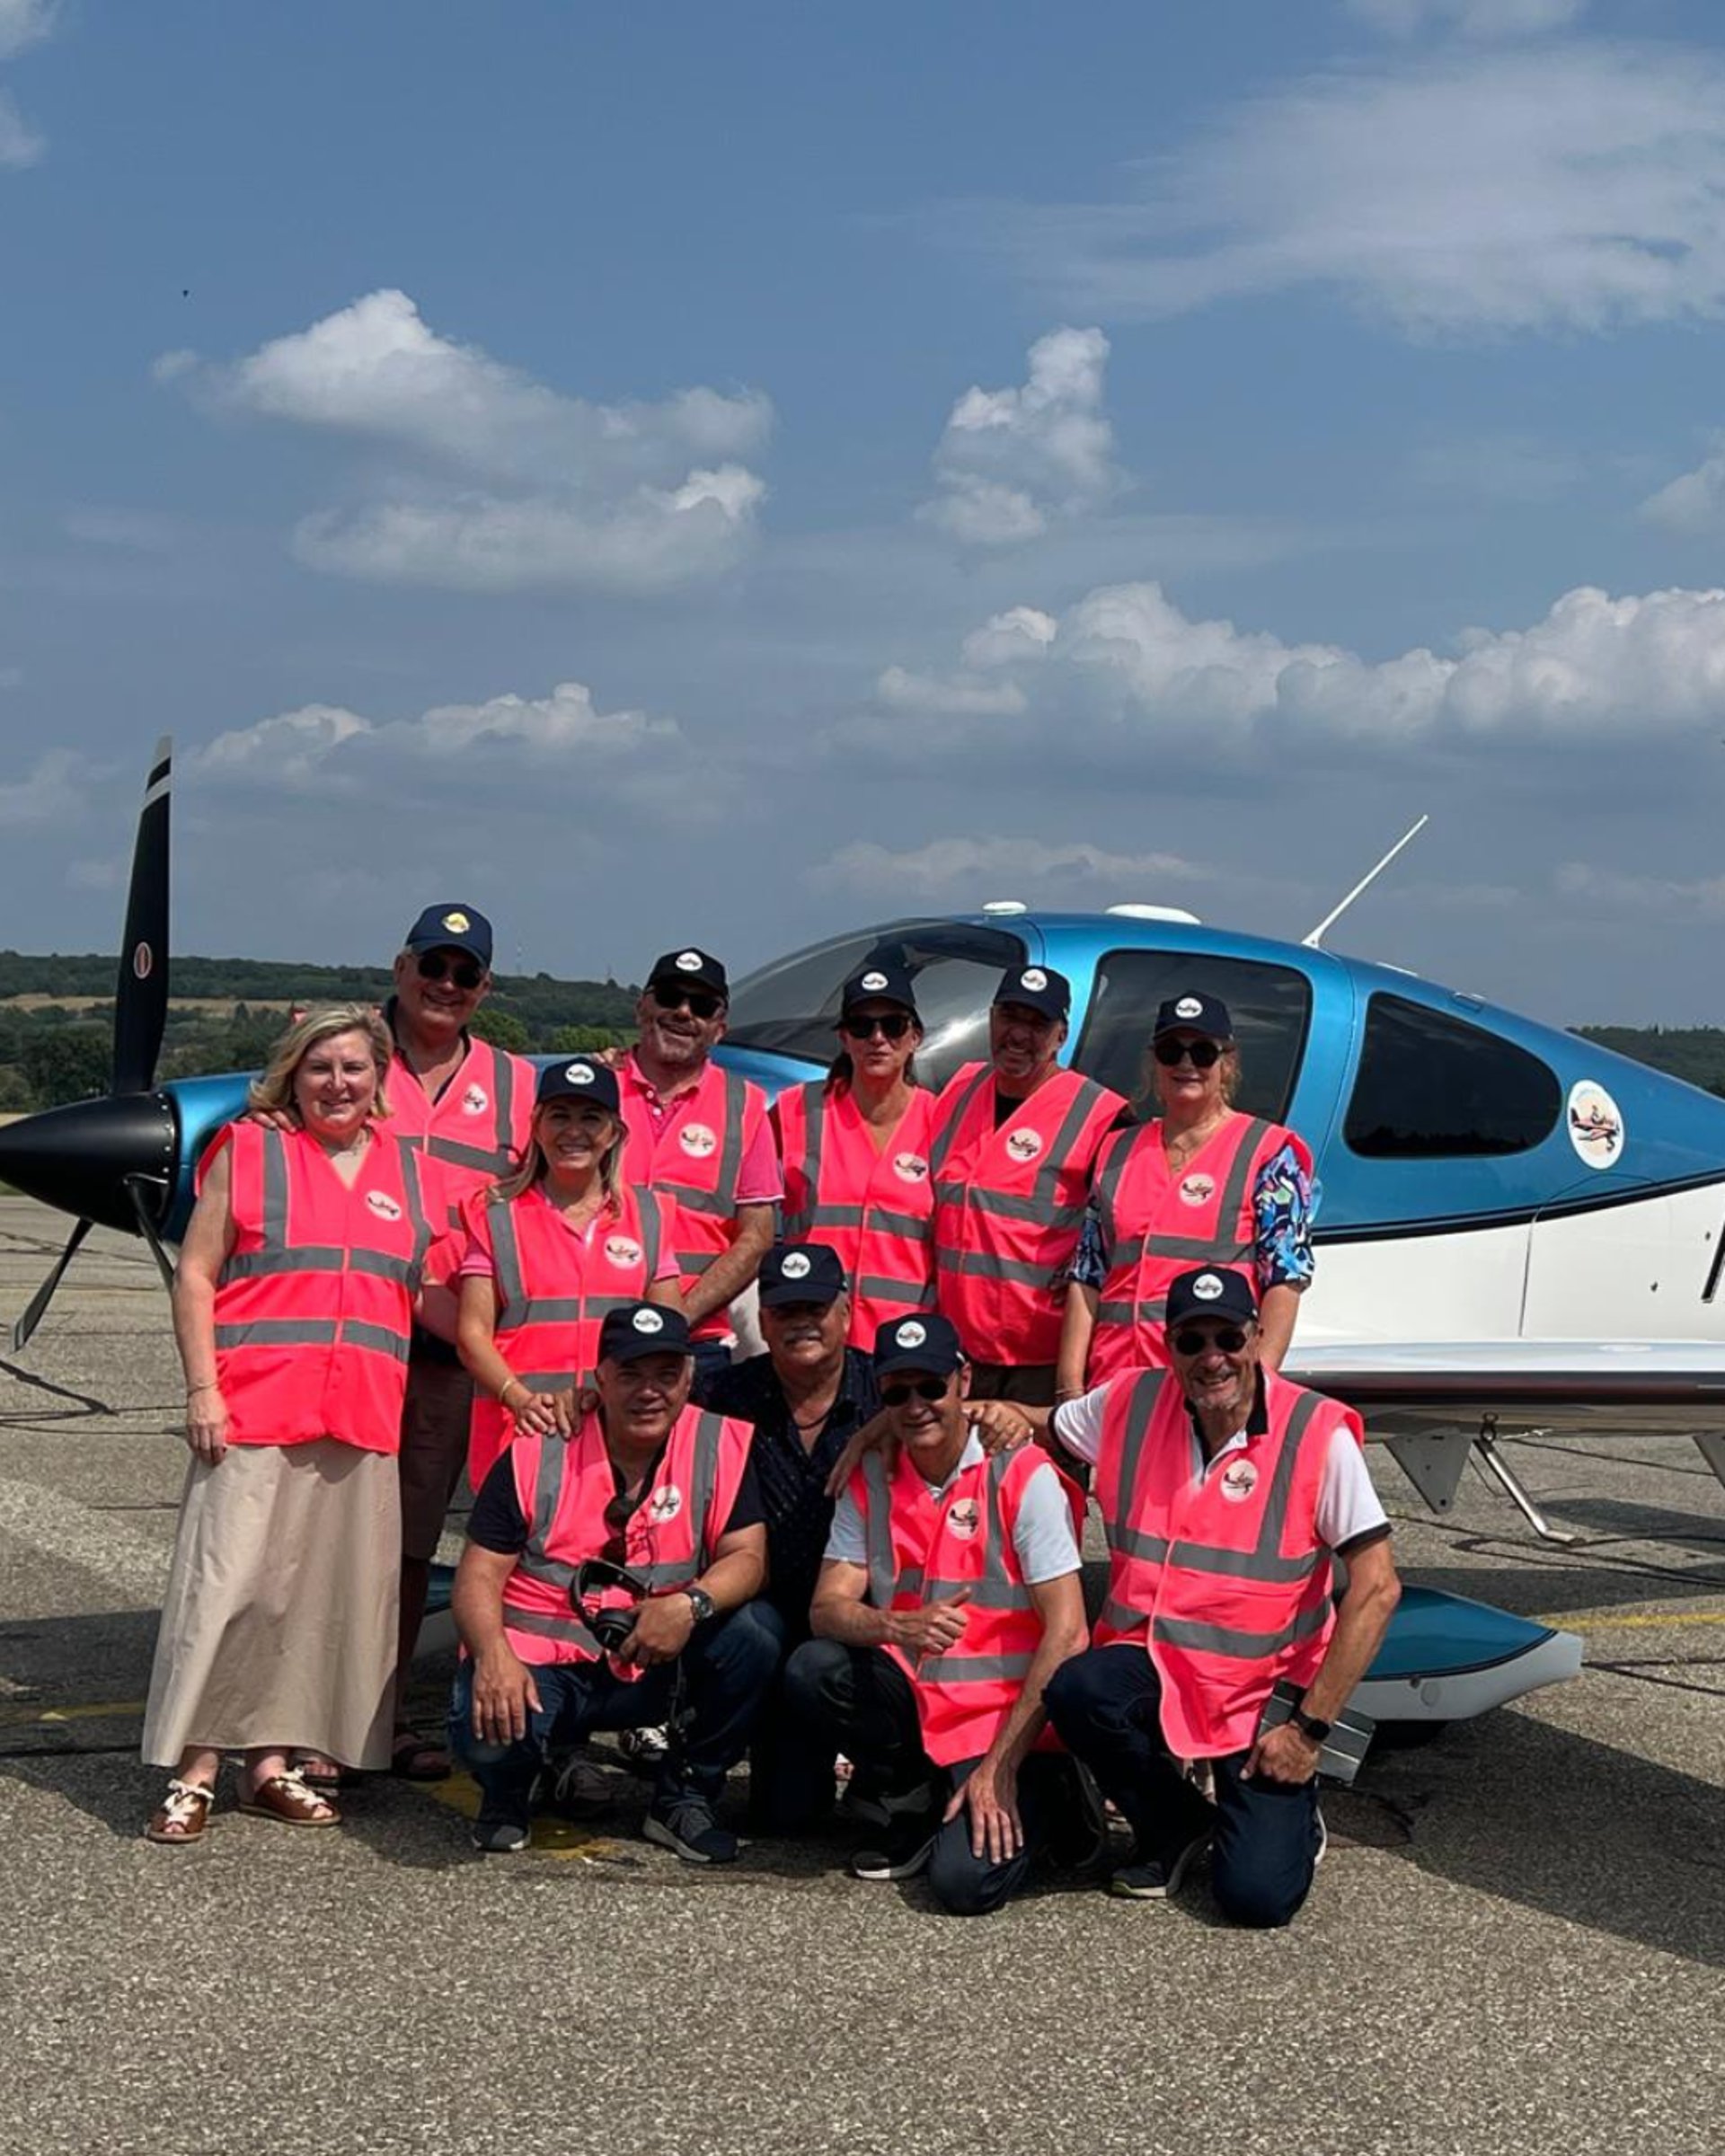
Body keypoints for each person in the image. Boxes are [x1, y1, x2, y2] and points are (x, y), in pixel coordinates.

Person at [142, 1006, 433, 1843]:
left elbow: (444, 1292)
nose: (337, 1084)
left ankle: (270, 1763)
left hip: (358, 1417)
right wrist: (202, 1389)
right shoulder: (251, 1151)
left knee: (312, 1600)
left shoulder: (408, 1174)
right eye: (319, 1069)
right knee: (231, 1588)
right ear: (291, 1077)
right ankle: (198, 1766)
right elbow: (196, 1275)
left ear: (380, 1077)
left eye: (354, 1068)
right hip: (255, 1403)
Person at [1039, 1266, 1401, 1925]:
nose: (1212, 1358)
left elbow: (1377, 1588)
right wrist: (924, 1421)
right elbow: (1044, 1428)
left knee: (1256, 1901)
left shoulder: (1316, 1432)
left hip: (1260, 1694)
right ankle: (1175, 1824)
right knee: (1076, 1690)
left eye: (1228, 1338)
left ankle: (1291, 1812)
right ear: (1168, 1346)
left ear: (1257, 1337)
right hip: (1160, 1662)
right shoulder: (1129, 1401)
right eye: (1192, 1342)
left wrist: (1309, 1731)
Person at [783, 1313, 1091, 1916]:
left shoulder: (1020, 1472)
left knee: (963, 1888)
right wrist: (894, 1625)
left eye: (932, 1387)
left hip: (1008, 1720)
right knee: (812, 1667)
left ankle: (1052, 1798)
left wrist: (1001, 1768)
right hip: (921, 1706)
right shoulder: (870, 1473)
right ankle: (910, 1802)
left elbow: (1069, 1630)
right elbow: (827, 1608)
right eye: (897, 1392)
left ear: (963, 1380)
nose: (916, 1404)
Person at [448, 1303, 775, 1862]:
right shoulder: (538, 1448)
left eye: (666, 1375)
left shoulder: (720, 1444)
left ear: (690, 1377)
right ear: (599, 1376)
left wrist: (689, 1606)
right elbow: (477, 1573)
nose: (649, 1391)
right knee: (487, 1723)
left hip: (656, 1661)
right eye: (630, 1374)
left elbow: (748, 1556)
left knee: (757, 1636)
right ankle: (509, 1790)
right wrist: (492, 1654)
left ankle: (683, 1798)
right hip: (544, 1664)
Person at [384, 903, 536, 1779]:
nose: (446, 986)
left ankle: (387, 1717)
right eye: (432, 967)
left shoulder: (515, 1085)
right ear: (402, 969)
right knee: (334, 1540)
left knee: (413, 1546)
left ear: (483, 989)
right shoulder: (350, 1061)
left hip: (458, 1357)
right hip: (359, 1341)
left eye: (464, 974)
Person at [695, 1241, 881, 1829]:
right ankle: (695, 1771)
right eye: (785, 1310)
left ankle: (889, 1774)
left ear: (846, 1313)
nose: (802, 1323)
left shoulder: (888, 1390)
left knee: (822, 1667)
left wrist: (887, 1424)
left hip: (864, 1614)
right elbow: (645, 1409)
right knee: (788, 1818)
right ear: (765, 1320)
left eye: (816, 1308)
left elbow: (958, 1413)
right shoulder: (728, 1395)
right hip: (771, 1615)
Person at [1059, 992, 1314, 1392]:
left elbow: (1285, 1278)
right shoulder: (1115, 1151)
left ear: (1227, 1064)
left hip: (1208, 1383)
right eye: (1170, 1051)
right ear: (1153, 1063)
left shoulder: (1268, 1153)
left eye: (1202, 1053)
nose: (1185, 1064)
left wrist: (1257, 1387)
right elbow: (1087, 1275)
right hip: (1114, 1381)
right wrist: (1070, 1389)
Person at [455, 1057, 683, 1491]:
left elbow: (669, 1335)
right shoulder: (494, 1213)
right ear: (537, 1125)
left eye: (590, 1118)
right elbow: (472, 1334)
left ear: (614, 1132)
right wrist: (520, 1400)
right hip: (519, 1431)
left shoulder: (650, 1215)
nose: (573, 1131)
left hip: (614, 1436)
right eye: (560, 1116)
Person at [927, 963, 1125, 1403]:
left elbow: (1127, 1231)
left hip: (1040, 1362)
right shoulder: (957, 1090)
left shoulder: (1100, 1115)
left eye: (1037, 1024)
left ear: (1061, 1036)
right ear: (993, 1017)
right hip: (956, 1352)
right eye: (1010, 1016)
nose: (1018, 1034)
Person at [615, 947, 778, 1385]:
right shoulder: (592, 1092)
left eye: (702, 1006)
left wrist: (676, 1319)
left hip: (697, 1341)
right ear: (641, 1007)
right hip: (594, 1332)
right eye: (670, 996)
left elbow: (756, 1235)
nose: (684, 1012)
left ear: (719, 1028)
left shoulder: (745, 1106)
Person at [774, 960, 937, 1347]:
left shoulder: (943, 1121)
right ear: (845, 1039)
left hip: (903, 1348)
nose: (877, 1038)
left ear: (915, 1037)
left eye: (893, 1026)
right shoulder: (793, 1110)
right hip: (812, 1341)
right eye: (862, 1027)